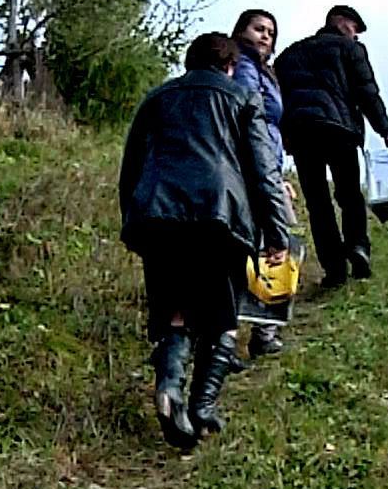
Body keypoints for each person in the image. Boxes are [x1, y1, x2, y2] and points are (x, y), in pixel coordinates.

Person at [120, 33, 290, 449]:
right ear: (230, 65)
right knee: (221, 314)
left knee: (175, 310)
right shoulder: (242, 98)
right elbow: (264, 171)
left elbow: (132, 167)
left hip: (157, 215)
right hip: (219, 217)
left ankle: (169, 387)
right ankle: (202, 407)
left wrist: (134, 217)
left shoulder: (157, 98)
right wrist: (276, 231)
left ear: (188, 62)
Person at [273, 5, 388, 289]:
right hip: (337, 127)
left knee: (318, 202)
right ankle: (357, 246)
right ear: (342, 22)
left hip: (301, 132)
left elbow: (275, 96)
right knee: (349, 193)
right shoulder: (349, 49)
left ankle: (334, 268)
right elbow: (367, 91)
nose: (355, 36)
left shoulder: (289, 54)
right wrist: (387, 132)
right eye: (354, 29)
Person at [229, 7, 292, 359]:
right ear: (242, 30)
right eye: (258, 28)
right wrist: (267, 174)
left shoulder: (264, 72)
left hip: (267, 164)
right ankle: (258, 328)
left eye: (271, 31)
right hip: (251, 166)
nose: (265, 36)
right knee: (270, 241)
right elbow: (247, 116)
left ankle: (260, 326)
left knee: (270, 241)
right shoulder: (242, 67)